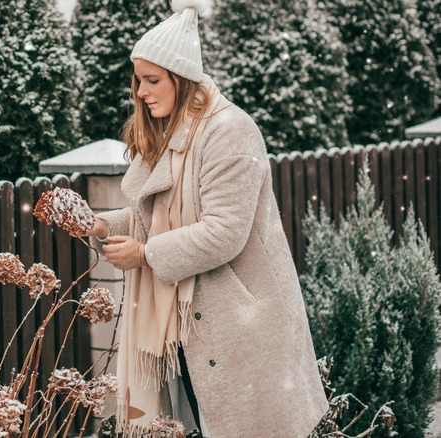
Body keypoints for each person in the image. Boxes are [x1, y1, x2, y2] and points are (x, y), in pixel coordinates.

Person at [82, 0, 329, 436]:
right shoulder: (170, 133)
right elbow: (154, 211)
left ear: (180, 79)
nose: (141, 92)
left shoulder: (229, 131)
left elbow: (223, 233)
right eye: (138, 81)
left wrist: (144, 254)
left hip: (239, 326)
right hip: (186, 328)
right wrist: (102, 226)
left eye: (152, 80)